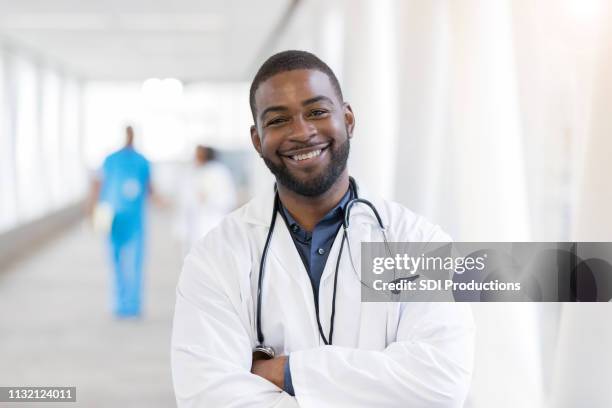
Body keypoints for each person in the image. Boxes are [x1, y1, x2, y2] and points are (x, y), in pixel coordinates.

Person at [171, 50, 475, 407]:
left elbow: (441, 382)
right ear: (257, 140)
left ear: (348, 119)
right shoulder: (215, 258)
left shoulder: (417, 242)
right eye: (278, 120)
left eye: (316, 112)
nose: (301, 132)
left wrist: (286, 372)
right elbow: (207, 397)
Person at [88, 126, 152, 318]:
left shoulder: (142, 161)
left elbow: (149, 188)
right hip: (112, 216)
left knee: (133, 261)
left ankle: (131, 305)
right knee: (114, 259)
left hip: (134, 219)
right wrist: (91, 209)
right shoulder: (110, 159)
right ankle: (119, 303)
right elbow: (97, 185)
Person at [176, 145, 237, 254]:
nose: (195, 157)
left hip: (213, 221)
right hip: (195, 225)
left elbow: (228, 198)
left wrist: (208, 198)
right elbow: (185, 201)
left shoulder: (219, 172)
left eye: (198, 154)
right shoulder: (192, 172)